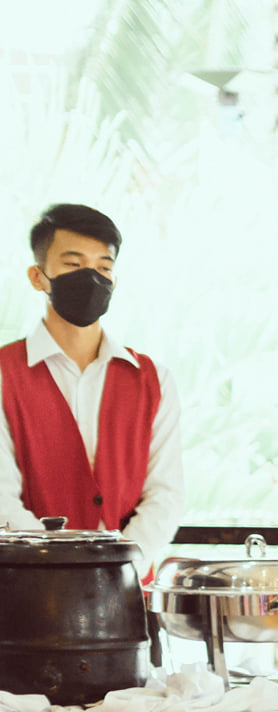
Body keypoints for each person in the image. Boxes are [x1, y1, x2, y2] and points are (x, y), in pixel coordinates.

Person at [0, 203, 184, 566]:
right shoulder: (4, 374)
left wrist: (120, 568)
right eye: (73, 264)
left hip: (128, 586)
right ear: (38, 277)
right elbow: (1, 500)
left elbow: (165, 495)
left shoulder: (153, 379)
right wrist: (61, 569)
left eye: (103, 267)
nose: (91, 278)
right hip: (26, 583)